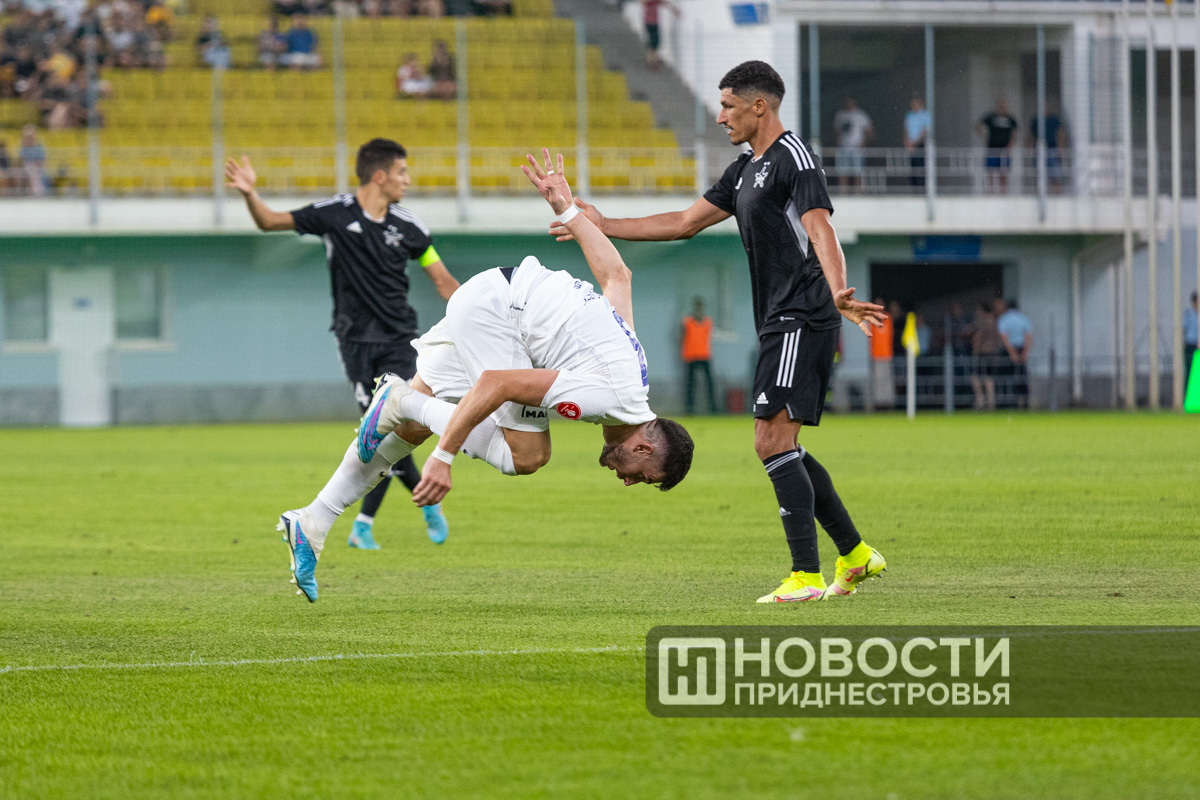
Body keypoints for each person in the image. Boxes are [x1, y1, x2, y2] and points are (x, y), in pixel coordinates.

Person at [277, 150, 695, 602]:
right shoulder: (608, 398)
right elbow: (498, 383)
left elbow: (617, 276)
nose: (629, 482)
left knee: (411, 430)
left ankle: (313, 522)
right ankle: (399, 399)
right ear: (642, 447)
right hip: (500, 314)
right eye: (642, 476)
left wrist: (569, 212)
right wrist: (443, 458)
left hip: (498, 301)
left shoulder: (635, 378)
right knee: (528, 455)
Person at [548, 61, 889, 604]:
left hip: (802, 314)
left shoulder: (794, 158)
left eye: (728, 105)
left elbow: (819, 225)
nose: (720, 115)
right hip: (779, 319)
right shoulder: (745, 169)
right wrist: (600, 223)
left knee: (770, 440)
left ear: (760, 106)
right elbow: (684, 223)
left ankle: (806, 575)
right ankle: (854, 555)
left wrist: (838, 289)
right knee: (783, 444)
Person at [224, 138, 459, 554]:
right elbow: (270, 222)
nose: (407, 180)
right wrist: (249, 194)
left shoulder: (411, 229)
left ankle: (367, 522)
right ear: (380, 176)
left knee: (387, 429)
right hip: (354, 343)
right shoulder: (333, 215)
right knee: (381, 435)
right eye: (402, 172)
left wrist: (477, 319)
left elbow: (442, 281)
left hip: (400, 341)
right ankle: (416, 506)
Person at [681, 297, 717, 415]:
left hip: (704, 355)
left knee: (709, 384)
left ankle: (713, 408)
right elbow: (681, 338)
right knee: (690, 384)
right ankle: (689, 409)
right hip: (691, 355)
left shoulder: (708, 322)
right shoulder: (687, 322)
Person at [997, 299, 1033, 409]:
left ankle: (1009, 402)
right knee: (1022, 378)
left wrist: (1012, 353)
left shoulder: (1004, 319)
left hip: (1008, 351)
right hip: (1021, 349)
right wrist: (1024, 353)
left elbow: (1004, 338)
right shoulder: (1023, 319)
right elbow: (1028, 337)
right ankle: (1024, 402)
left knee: (1007, 378)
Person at [832, 95, 873, 192]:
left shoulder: (860, 115)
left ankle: (858, 193)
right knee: (842, 172)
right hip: (843, 148)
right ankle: (843, 192)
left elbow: (869, 131)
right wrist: (836, 145)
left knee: (857, 172)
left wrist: (864, 143)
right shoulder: (840, 115)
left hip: (856, 148)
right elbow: (836, 132)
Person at [977, 99, 1018, 194]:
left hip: (1004, 148)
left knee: (1003, 171)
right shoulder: (991, 117)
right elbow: (978, 125)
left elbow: (1014, 132)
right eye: (1000, 107)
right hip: (992, 147)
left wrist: (1011, 143)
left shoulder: (1010, 119)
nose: (1002, 109)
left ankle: (1003, 190)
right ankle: (990, 189)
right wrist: (984, 137)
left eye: (1004, 107)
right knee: (990, 170)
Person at [1028, 102, 1067, 193]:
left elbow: (1060, 133)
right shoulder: (1035, 120)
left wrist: (1061, 147)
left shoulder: (1053, 119)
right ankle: (1039, 192)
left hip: (1052, 148)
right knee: (1039, 173)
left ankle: (1056, 192)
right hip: (1038, 150)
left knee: (1054, 173)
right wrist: (1030, 147)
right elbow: (1031, 135)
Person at [970, 302, 1001, 410]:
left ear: (983, 311)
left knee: (975, 377)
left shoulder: (982, 321)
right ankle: (991, 402)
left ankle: (980, 400)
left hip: (983, 353)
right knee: (990, 378)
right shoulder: (995, 321)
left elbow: (978, 337)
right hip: (994, 353)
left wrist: (974, 351)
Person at [870, 297, 895, 410]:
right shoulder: (871, 319)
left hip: (887, 355)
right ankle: (879, 403)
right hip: (876, 355)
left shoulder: (887, 318)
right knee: (878, 380)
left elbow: (890, 335)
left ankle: (888, 403)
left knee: (887, 380)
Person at [642, 0, 677, 71]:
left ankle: (653, 58)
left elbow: (666, 4)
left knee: (655, 41)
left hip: (654, 22)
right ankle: (652, 60)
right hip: (649, 22)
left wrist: (675, 11)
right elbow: (643, 3)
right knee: (654, 41)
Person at [904, 93, 929, 189]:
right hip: (911, 145)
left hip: (920, 144)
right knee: (912, 167)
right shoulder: (909, 115)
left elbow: (925, 131)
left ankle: (921, 188)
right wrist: (907, 142)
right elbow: (906, 129)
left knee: (921, 167)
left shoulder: (925, 115)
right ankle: (914, 188)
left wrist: (915, 143)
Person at [1185, 292, 1198, 397]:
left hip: (1198, 345)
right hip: (1190, 345)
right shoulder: (1188, 314)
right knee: (1189, 371)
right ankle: (1187, 396)